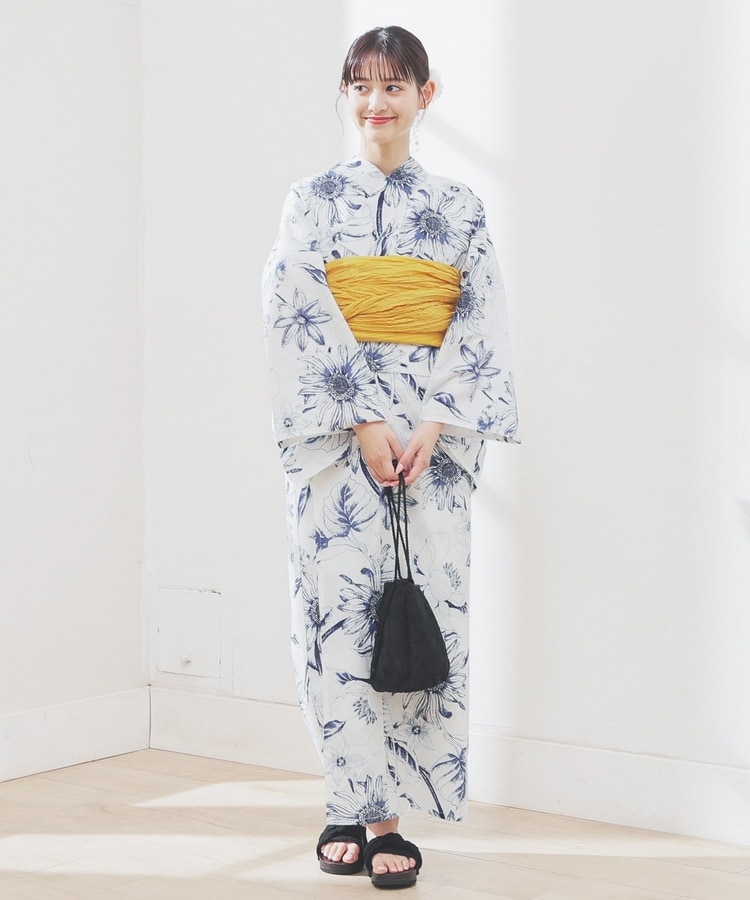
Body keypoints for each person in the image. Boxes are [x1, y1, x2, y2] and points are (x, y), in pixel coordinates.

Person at [262, 25, 518, 890]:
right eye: (361, 85)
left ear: (425, 95)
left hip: (431, 446)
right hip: (339, 440)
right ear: (345, 94)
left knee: (419, 614)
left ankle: (385, 812)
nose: (377, 102)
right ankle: (355, 804)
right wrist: (365, 419)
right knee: (334, 613)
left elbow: (481, 320)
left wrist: (437, 424)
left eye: (394, 85)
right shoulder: (311, 200)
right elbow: (293, 307)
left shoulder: (461, 207)